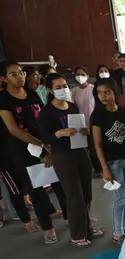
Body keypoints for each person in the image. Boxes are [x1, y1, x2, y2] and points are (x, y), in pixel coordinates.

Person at [0, 60, 65, 243]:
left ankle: (69, 214)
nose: (20, 77)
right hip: (22, 150)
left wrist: (49, 141)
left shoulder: (32, 94)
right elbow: (14, 129)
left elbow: (42, 118)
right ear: (4, 78)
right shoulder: (4, 99)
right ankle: (48, 227)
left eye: (21, 73)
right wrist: (41, 144)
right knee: (36, 189)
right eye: (13, 74)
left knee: (57, 181)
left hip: (43, 145)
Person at [38, 73, 103, 247]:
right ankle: (77, 234)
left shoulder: (72, 106)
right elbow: (44, 136)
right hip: (63, 155)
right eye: (58, 87)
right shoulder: (47, 112)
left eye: (64, 86)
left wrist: (84, 131)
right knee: (74, 195)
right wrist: (59, 134)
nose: (62, 89)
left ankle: (87, 227)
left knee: (87, 193)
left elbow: (81, 125)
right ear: (50, 90)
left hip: (80, 151)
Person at [91, 78, 125, 244]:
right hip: (113, 163)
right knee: (121, 199)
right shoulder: (97, 115)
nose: (103, 96)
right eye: (100, 93)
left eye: (107, 92)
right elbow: (97, 144)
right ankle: (117, 232)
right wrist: (104, 168)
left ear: (115, 93)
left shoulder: (123, 112)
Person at [71, 66, 102, 175]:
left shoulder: (93, 88)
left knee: (98, 146)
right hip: (82, 124)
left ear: (88, 76)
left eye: (83, 74)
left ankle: (103, 166)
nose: (80, 77)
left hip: (95, 122)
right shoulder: (74, 91)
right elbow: (72, 107)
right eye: (78, 74)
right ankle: (97, 169)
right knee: (90, 149)